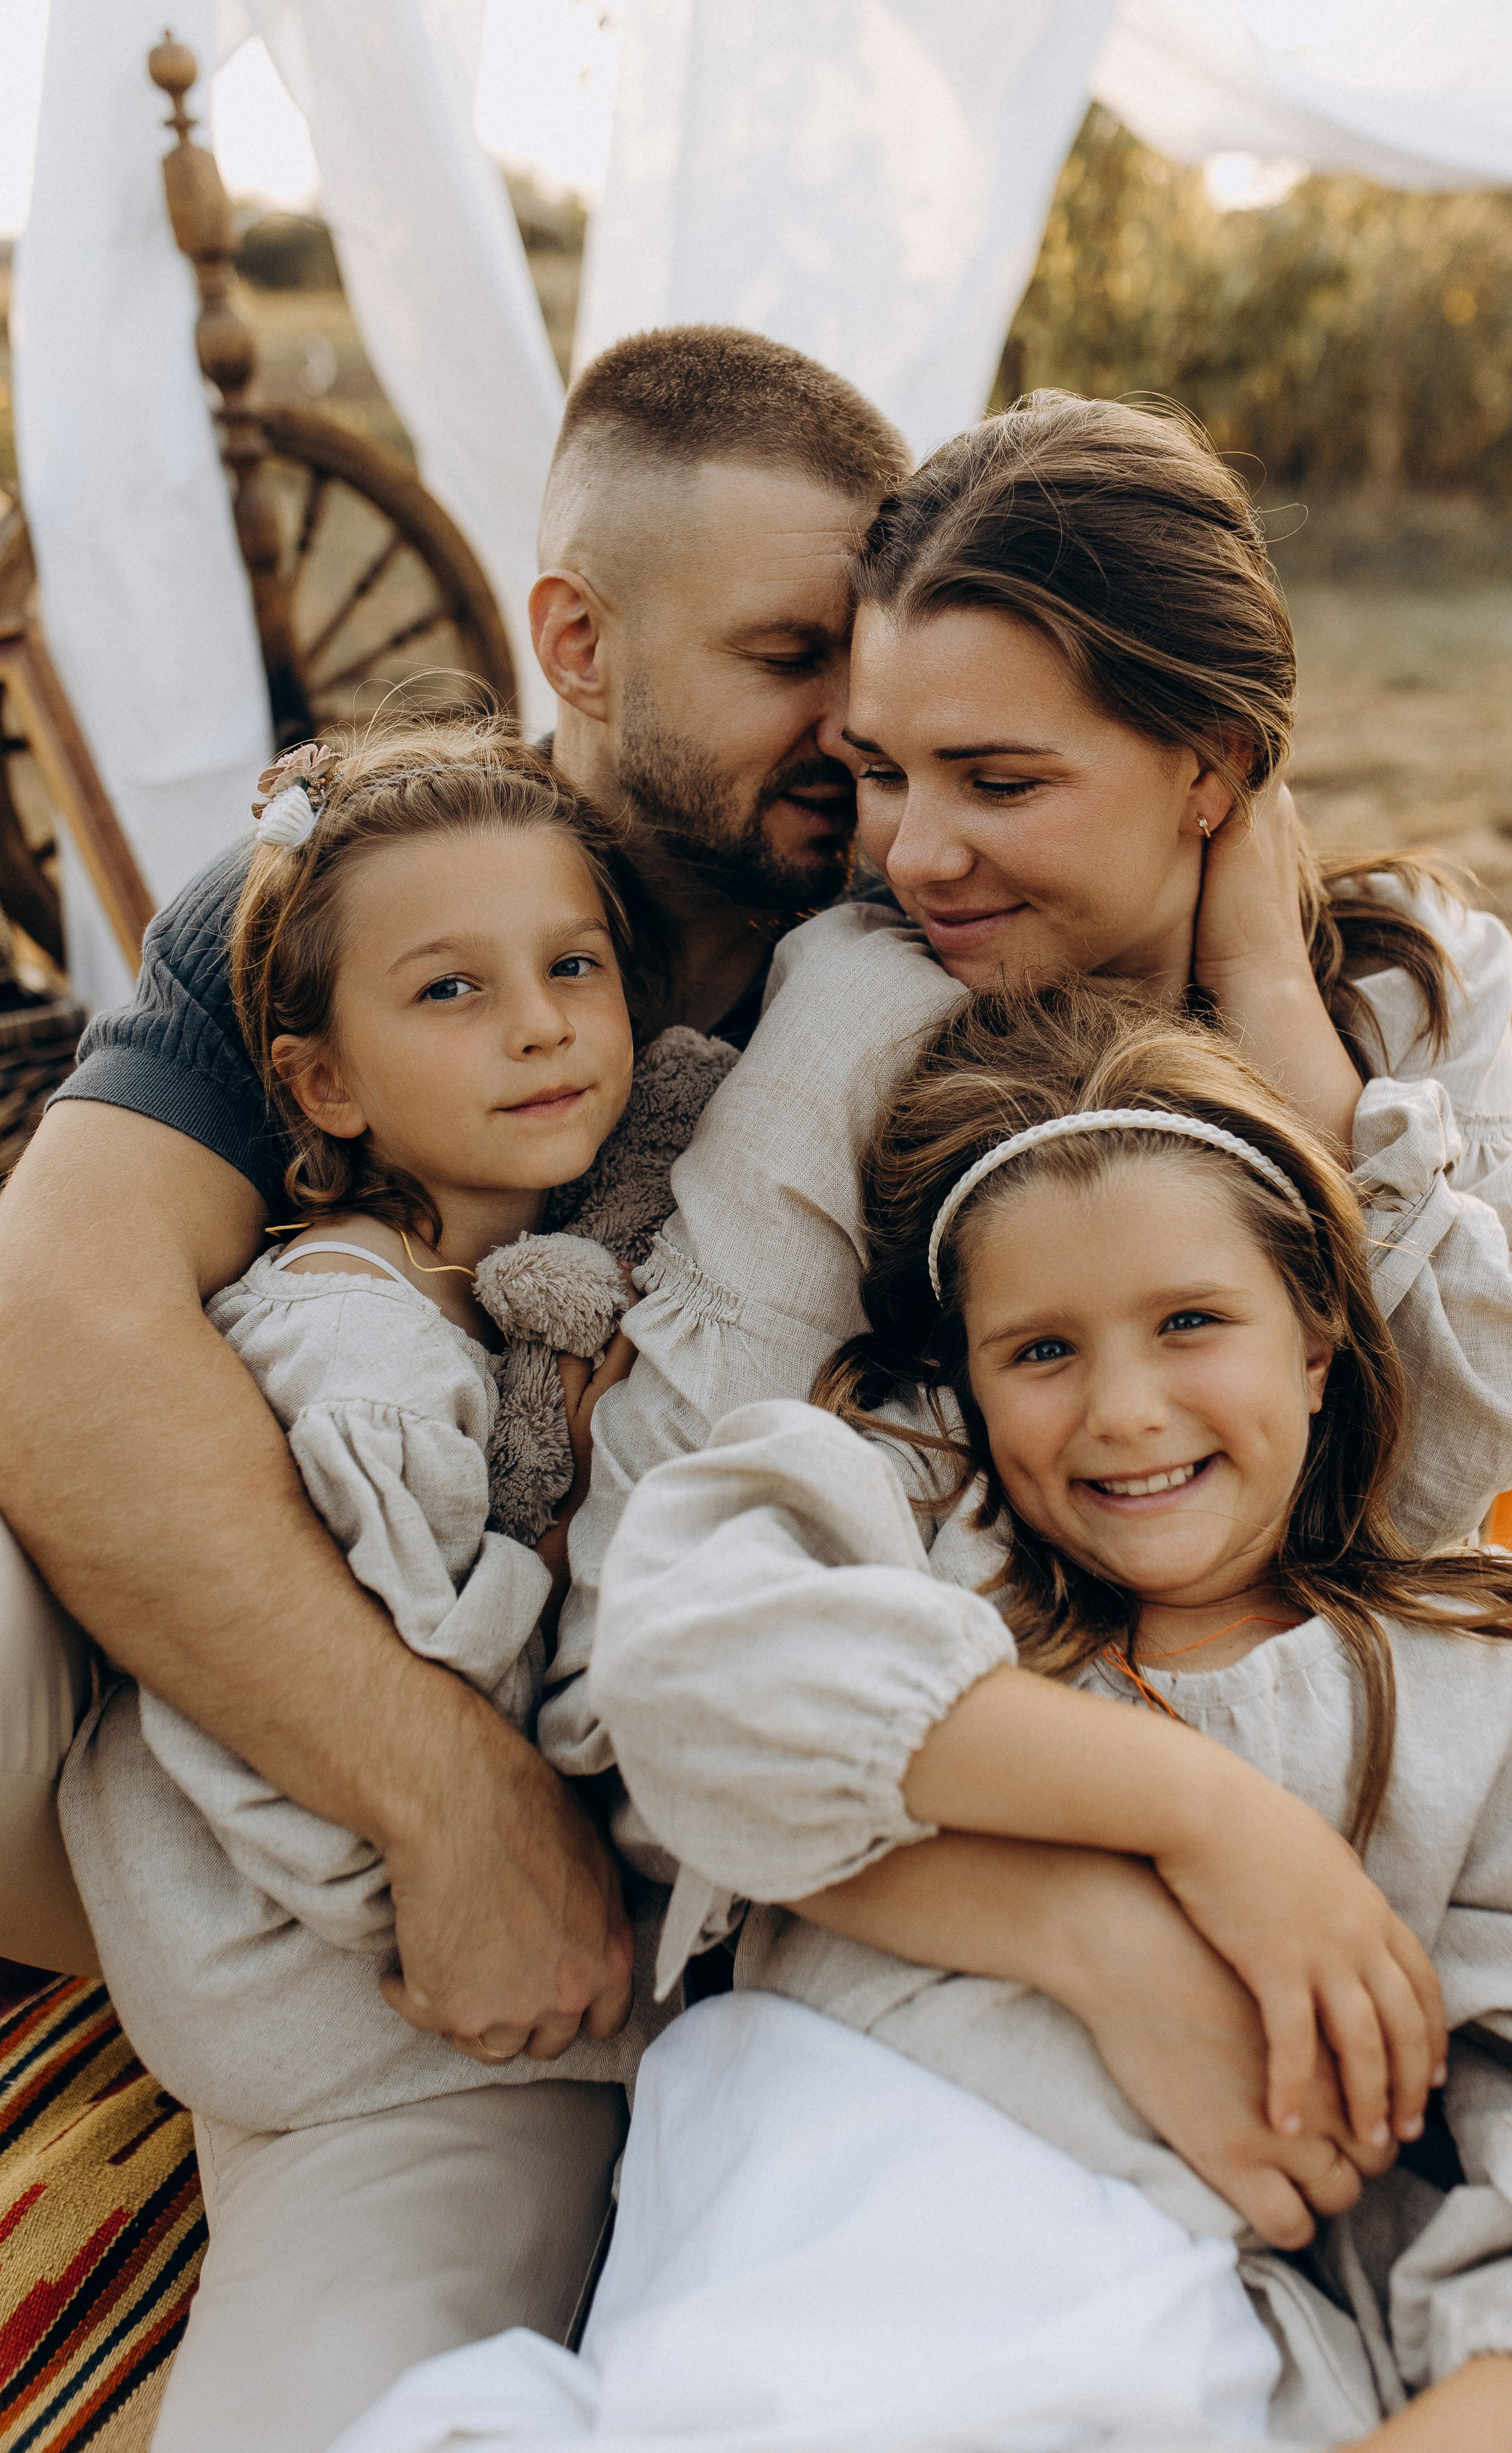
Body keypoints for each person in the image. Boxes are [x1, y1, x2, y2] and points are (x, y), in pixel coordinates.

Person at [541, 395, 1512, 2207]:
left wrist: (1279, 1022)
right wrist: (1092, 1921)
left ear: (1215, 769)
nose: (913, 854)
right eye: (885, 771)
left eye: (1001, 778)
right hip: (991, 1792)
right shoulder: (861, 1016)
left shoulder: (1405, 997)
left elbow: (1427, 1461)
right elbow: (637, 1634)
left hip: (1404, 1753)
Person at [0, 329, 910, 2420]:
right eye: (793, 656)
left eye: (880, 658)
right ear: (575, 638)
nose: (861, 734)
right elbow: (56, 1325)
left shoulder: (911, 933)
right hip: (166, 1796)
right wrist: (440, 1794)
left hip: (549, 1939)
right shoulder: (356, 888)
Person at [467, 986, 1512, 2453]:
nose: (1126, 1412)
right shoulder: (920, 1541)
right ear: (957, 1384)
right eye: (1040, 1352)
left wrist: (1505, 2397)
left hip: (1175, 2313)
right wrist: (1203, 1818)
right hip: (810, 2224)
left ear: (1319, 1342)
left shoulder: (1485, 1693)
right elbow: (689, 1671)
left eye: (1191, 1323)